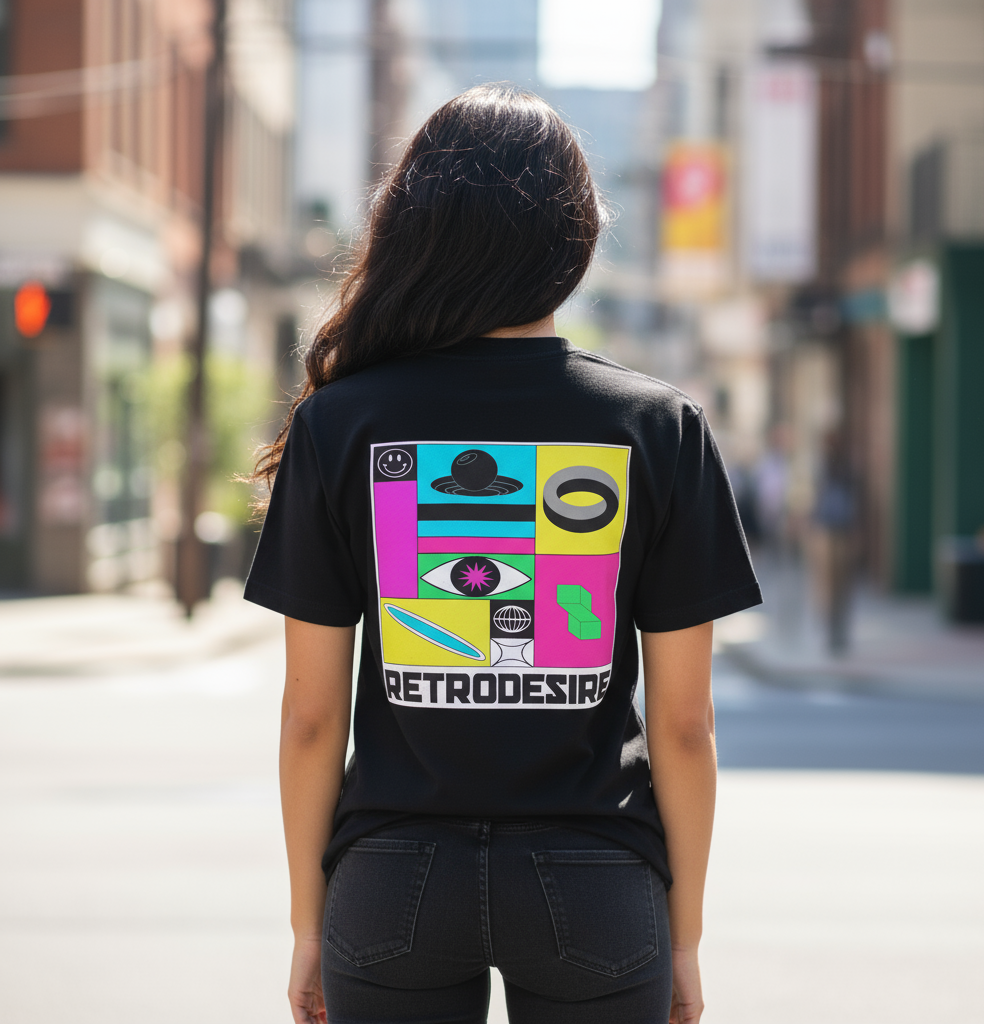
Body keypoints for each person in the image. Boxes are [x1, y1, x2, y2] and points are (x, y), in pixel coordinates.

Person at [245, 85, 761, 1024]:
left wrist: (309, 923)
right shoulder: (657, 426)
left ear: (414, 230)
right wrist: (683, 939)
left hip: (391, 881)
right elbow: (685, 726)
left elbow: (311, 717)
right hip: (599, 880)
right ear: (575, 241)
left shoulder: (342, 423)